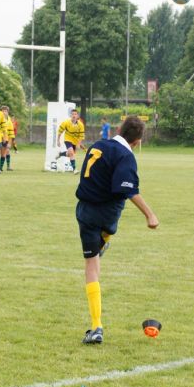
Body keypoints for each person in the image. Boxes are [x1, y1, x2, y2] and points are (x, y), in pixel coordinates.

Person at [75, 115, 159, 345]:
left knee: (91, 265)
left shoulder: (98, 145)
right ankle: (104, 240)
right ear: (138, 140)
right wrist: (150, 214)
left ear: (119, 129)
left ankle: (96, 327)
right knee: (103, 238)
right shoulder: (125, 156)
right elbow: (127, 190)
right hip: (107, 214)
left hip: (84, 212)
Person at [57, 109, 85, 174]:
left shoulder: (80, 125)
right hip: (68, 140)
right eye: (72, 114)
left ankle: (61, 154)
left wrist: (78, 144)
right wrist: (58, 140)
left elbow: (81, 136)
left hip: (75, 142)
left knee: (69, 154)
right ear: (70, 115)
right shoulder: (66, 123)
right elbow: (60, 132)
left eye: (75, 114)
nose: (74, 115)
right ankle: (74, 169)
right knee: (71, 153)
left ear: (77, 116)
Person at [0, 105, 15, 171]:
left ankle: (6, 167)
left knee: (7, 152)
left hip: (6, 139)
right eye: (3, 111)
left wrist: (9, 143)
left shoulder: (10, 121)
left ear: (8, 112)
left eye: (5, 111)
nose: (4, 112)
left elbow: (11, 134)